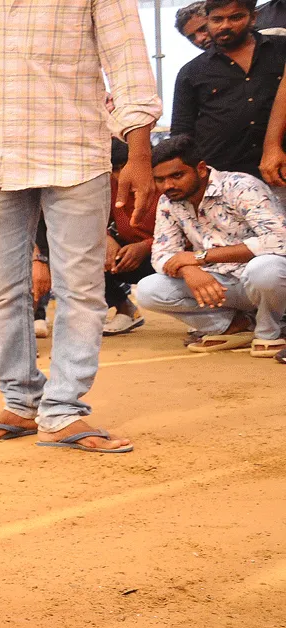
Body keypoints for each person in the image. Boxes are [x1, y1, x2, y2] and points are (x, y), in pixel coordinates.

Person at [0, 0, 161, 452]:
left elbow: (129, 67)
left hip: (75, 153)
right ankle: (20, 403)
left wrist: (139, 154)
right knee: (3, 290)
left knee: (80, 288)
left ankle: (62, 410)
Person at [137, 134, 286, 359]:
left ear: (200, 169)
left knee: (266, 269)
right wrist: (189, 269)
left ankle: (270, 332)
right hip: (219, 284)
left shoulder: (240, 186)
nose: (168, 185)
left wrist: (201, 257)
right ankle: (237, 325)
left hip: (261, 280)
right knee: (148, 290)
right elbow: (161, 253)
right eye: (160, 179)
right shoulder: (168, 201)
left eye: (177, 175)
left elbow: (279, 239)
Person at [172, 0, 286, 181]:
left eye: (235, 17)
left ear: (253, 17)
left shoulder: (280, 49)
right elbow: (181, 132)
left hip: (280, 169)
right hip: (224, 177)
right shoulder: (191, 72)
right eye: (217, 20)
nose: (225, 25)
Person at [102, 139, 159, 335]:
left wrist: (146, 246)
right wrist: (106, 237)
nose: (120, 174)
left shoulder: (166, 183)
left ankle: (209, 315)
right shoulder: (111, 186)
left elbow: (189, 235)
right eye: (115, 169)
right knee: (86, 249)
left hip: (171, 255)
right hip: (129, 256)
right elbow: (95, 221)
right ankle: (124, 309)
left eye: (124, 166)